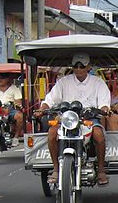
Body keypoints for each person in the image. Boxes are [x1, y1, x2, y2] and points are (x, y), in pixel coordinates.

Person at [36, 53, 111, 187]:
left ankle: (101, 170)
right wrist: (43, 108)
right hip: (67, 118)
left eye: (82, 66)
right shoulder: (64, 82)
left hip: (88, 118)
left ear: (88, 67)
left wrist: (104, 108)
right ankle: (56, 169)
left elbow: (104, 102)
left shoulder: (97, 82)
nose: (79, 69)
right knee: (52, 133)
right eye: (76, 66)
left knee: (99, 135)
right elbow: (50, 100)